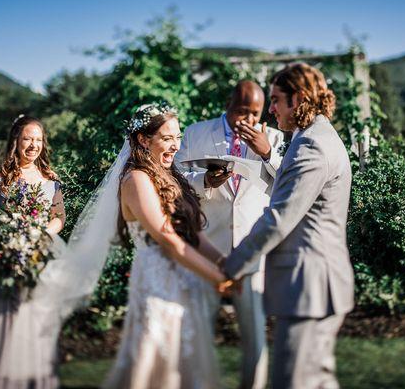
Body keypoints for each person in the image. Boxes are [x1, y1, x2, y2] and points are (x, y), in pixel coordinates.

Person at [223, 64, 354, 389]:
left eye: (276, 100)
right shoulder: (315, 137)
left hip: (309, 286)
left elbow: (279, 218)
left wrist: (231, 266)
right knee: (317, 381)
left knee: (290, 381)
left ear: (299, 99)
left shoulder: (312, 145)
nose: (270, 109)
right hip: (315, 285)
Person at [101, 103, 230, 388]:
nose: (175, 145)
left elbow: (194, 235)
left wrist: (227, 264)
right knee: (155, 364)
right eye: (167, 138)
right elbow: (169, 240)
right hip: (156, 284)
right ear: (144, 140)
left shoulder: (172, 177)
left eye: (178, 137)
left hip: (186, 281)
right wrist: (220, 280)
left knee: (187, 364)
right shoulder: (135, 179)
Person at [175, 80, 285, 389]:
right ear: (228, 103)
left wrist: (266, 154)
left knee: (254, 335)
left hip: (252, 251)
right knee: (198, 332)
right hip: (207, 248)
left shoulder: (274, 138)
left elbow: (290, 187)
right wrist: (206, 181)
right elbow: (175, 181)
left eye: (255, 113)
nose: (248, 120)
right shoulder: (196, 132)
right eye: (241, 111)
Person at [0, 115, 65, 389]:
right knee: (7, 323)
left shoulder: (51, 179)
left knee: (36, 323)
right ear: (15, 140)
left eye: (38, 140)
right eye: (27, 138)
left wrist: (37, 237)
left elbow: (59, 217)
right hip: (5, 260)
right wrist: (10, 240)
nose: (33, 145)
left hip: (39, 260)